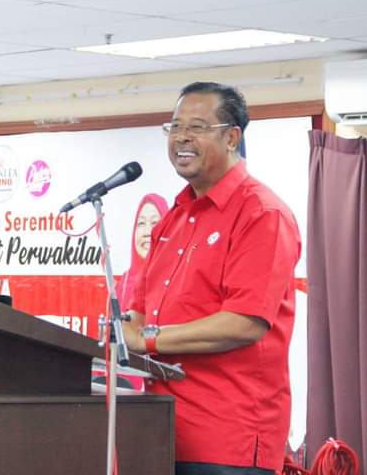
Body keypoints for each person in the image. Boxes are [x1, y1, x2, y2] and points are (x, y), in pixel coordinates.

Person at [123, 82, 301, 475]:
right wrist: (122, 330)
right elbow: (139, 311)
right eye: (175, 126)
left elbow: (244, 323)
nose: (181, 137)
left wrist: (147, 338)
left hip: (228, 440)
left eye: (197, 127)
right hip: (160, 430)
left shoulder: (262, 214)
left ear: (232, 137)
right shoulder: (173, 217)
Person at [116, 193, 169, 311]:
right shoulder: (123, 286)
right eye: (141, 223)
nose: (147, 232)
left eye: (155, 223)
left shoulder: (176, 280)